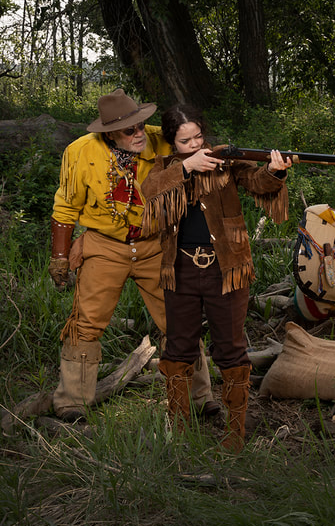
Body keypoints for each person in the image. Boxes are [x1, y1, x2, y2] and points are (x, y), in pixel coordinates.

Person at [48, 89, 218, 422]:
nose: (139, 133)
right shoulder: (80, 153)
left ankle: (199, 397)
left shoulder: (159, 140)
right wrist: (60, 255)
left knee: (179, 319)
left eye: (141, 125)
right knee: (85, 323)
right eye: (129, 130)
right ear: (108, 131)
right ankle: (71, 403)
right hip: (104, 244)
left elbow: (195, 146)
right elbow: (65, 207)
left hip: (155, 243)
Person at [141, 104, 291, 451]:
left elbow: (258, 181)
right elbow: (150, 192)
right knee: (178, 349)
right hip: (179, 269)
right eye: (184, 141)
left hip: (227, 269)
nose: (194, 145)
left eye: (198, 137)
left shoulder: (227, 161)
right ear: (171, 143)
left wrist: (276, 171)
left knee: (231, 350)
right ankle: (179, 430)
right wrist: (186, 169)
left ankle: (234, 434)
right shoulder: (165, 168)